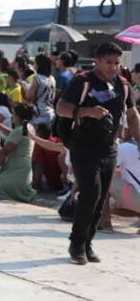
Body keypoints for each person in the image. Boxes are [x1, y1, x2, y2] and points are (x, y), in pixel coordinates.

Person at [56, 42, 140, 264]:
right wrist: (87, 112)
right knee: (90, 193)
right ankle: (76, 244)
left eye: (117, 63)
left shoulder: (122, 85)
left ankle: (88, 243)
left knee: (101, 197)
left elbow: (132, 116)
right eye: (108, 62)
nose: (113, 67)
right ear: (96, 61)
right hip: (83, 148)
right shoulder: (82, 81)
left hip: (110, 148)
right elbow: (61, 108)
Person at [0, 103, 37, 202]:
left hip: (17, 171)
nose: (12, 116)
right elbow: (13, 133)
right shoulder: (28, 127)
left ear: (19, 117)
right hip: (18, 169)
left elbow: (4, 152)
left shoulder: (21, 129)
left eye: (14, 114)